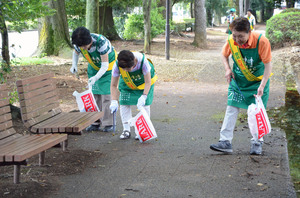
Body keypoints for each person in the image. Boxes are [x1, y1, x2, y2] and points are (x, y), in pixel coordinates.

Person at [210, 17, 272, 155]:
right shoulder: (231, 40)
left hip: (257, 82)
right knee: (231, 108)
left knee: (256, 112)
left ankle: (257, 142)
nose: (237, 40)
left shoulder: (262, 41)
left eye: (241, 36)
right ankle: (225, 141)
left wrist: (262, 85)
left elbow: (268, 66)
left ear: (249, 32)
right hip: (238, 80)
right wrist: (227, 69)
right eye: (234, 35)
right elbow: (224, 54)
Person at [70, 27, 117, 132]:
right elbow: (76, 53)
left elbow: (104, 65)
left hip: (108, 69)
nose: (84, 49)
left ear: (90, 40)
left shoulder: (101, 42)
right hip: (93, 67)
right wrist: (74, 65)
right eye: (81, 47)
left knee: (106, 95)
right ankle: (95, 121)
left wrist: (96, 78)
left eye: (85, 46)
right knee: (94, 95)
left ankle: (108, 123)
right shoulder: (79, 42)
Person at [109, 50, 157, 140]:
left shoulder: (143, 61)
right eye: (124, 69)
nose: (127, 70)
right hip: (127, 83)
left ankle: (142, 131)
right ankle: (126, 130)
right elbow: (113, 85)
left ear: (134, 61)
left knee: (144, 105)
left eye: (129, 68)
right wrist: (114, 100)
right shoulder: (117, 65)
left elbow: (148, 82)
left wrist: (144, 96)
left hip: (143, 83)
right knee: (124, 102)